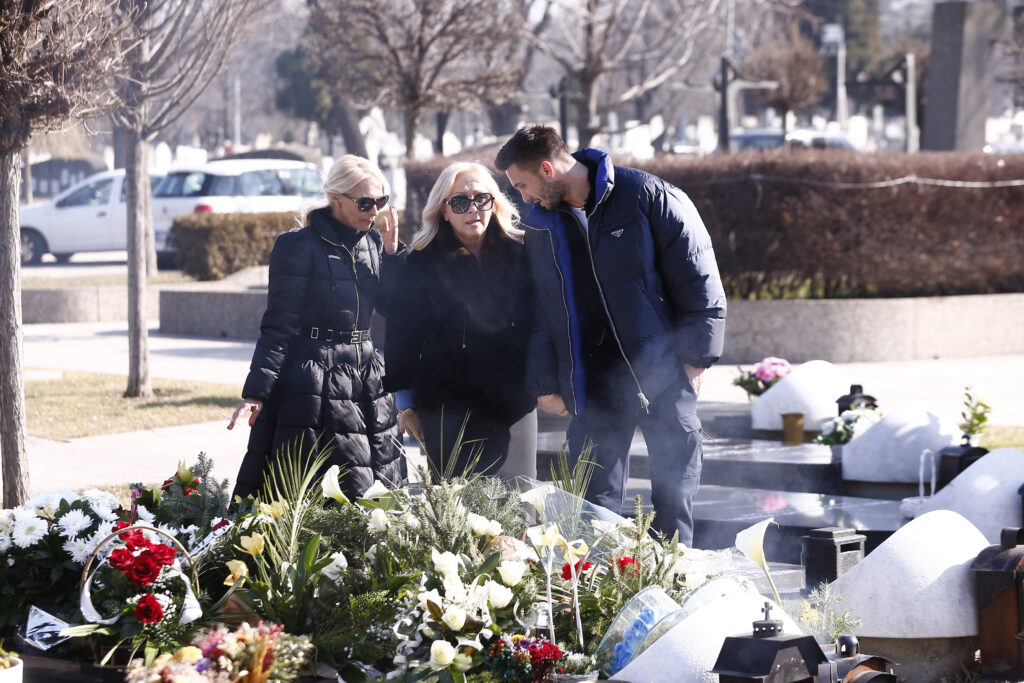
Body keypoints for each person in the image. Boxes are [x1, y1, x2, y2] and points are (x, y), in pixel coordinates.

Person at [494, 125, 727, 546]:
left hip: (663, 370)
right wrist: (546, 382)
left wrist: (697, 357)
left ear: (547, 169)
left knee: (674, 500)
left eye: (523, 185)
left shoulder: (647, 195)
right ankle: (602, 602)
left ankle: (673, 589)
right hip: (594, 382)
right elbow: (539, 311)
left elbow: (698, 274)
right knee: (590, 508)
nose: (523, 197)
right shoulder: (541, 227)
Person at [228, 155, 407, 501]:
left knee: (379, 491)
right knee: (321, 491)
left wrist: (393, 256)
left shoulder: (372, 242)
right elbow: (279, 324)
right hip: (314, 383)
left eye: (380, 201)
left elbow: (390, 308)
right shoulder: (297, 247)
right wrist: (256, 392)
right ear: (336, 198)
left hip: (368, 379)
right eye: (366, 202)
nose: (374, 211)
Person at [384, 162, 536, 478]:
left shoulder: (522, 254)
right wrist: (406, 404)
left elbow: (542, 326)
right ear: (443, 210)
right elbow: (402, 334)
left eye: (481, 198)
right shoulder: (423, 261)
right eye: (460, 202)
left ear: (494, 203)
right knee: (456, 514)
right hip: (446, 407)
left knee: (521, 507)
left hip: (514, 402)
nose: (473, 209)